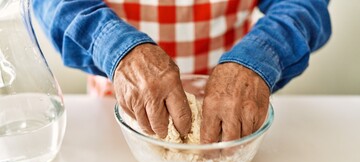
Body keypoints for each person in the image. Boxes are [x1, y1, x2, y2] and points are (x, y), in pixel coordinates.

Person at [32, 0, 331, 143]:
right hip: (113, 114)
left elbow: (303, 4)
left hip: (237, 115)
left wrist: (261, 55)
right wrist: (115, 46)